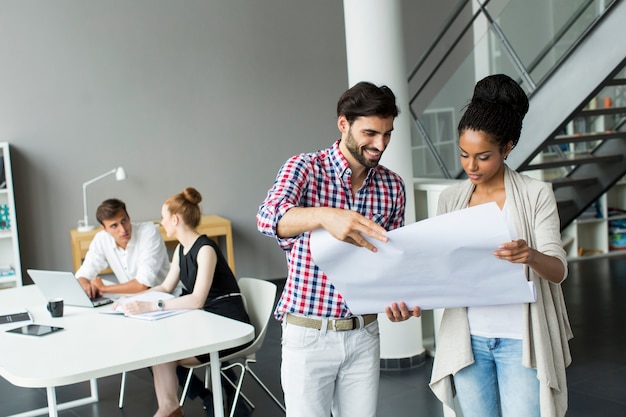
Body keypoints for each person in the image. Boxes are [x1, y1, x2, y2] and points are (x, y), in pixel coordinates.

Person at [257, 81, 419, 417]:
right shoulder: (305, 168)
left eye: (387, 134)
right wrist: (325, 216)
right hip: (309, 336)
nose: (380, 144)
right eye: (371, 133)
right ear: (343, 123)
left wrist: (401, 298)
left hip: (364, 334)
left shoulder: (392, 186)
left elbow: (393, 262)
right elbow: (267, 217)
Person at [419, 74, 572, 417]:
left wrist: (529, 255)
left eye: (483, 156)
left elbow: (559, 271)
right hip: (468, 339)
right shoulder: (451, 198)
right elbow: (440, 270)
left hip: (521, 340)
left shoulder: (536, 194)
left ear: (508, 147)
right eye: (464, 155)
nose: (471, 166)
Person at [119, 187, 251, 417]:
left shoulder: (206, 249)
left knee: (164, 355)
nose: (161, 223)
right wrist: (128, 300)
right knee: (158, 352)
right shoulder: (181, 249)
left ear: (175, 219)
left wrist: (152, 306)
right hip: (205, 319)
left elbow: (198, 299)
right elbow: (165, 287)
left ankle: (174, 407)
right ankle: (171, 407)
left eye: (163, 217)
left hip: (227, 323)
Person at [76, 198, 170, 298]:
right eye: (114, 226)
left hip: (164, 297)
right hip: (131, 301)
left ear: (128, 217)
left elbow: (142, 285)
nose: (123, 229)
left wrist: (103, 288)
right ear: (104, 229)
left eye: (124, 220)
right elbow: (84, 273)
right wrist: (86, 286)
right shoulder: (101, 238)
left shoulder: (148, 232)